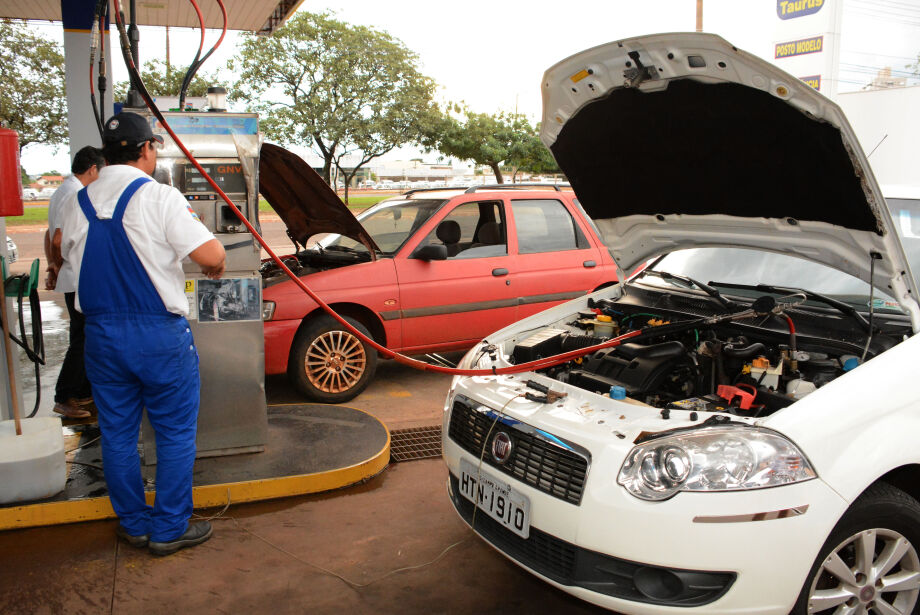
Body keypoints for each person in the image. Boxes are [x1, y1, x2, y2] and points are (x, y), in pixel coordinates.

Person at [56, 111, 226, 556]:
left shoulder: (79, 200)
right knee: (172, 433)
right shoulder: (160, 197)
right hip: (157, 337)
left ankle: (133, 523)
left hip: (102, 336)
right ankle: (169, 528)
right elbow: (210, 251)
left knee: (116, 433)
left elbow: (62, 249)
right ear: (147, 149)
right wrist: (215, 264)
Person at [44, 146, 105, 420]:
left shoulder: (63, 191)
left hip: (71, 276)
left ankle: (80, 391)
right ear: (92, 168)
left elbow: (50, 235)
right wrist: (58, 263)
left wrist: (54, 265)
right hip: (76, 276)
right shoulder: (74, 193)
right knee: (82, 339)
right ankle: (64, 395)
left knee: (81, 336)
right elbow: (58, 239)